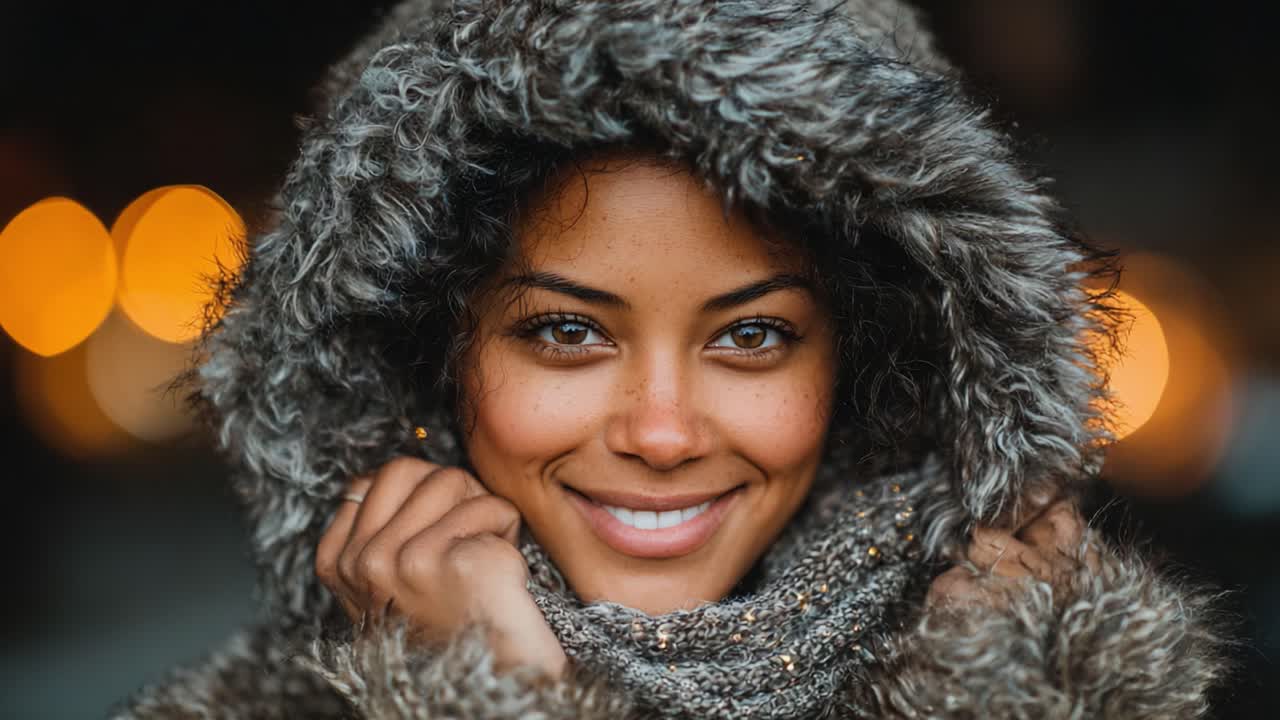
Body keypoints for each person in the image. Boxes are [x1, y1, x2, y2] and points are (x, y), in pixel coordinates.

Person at [114, 0, 1228, 717]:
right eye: (565, 331)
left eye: (751, 335)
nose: (659, 431)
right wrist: (473, 695)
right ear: (425, 352)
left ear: (875, 365)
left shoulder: (1071, 695)